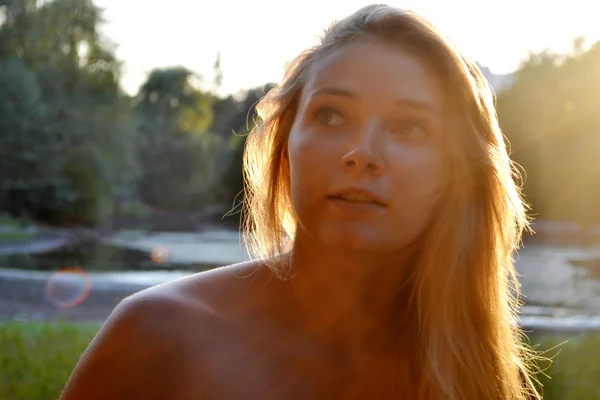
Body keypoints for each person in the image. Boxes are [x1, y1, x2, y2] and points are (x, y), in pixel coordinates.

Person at [61, 4, 541, 399]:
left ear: (456, 173)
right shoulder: (157, 337)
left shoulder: (479, 375)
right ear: (285, 145)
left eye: (408, 127)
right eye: (332, 116)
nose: (361, 154)